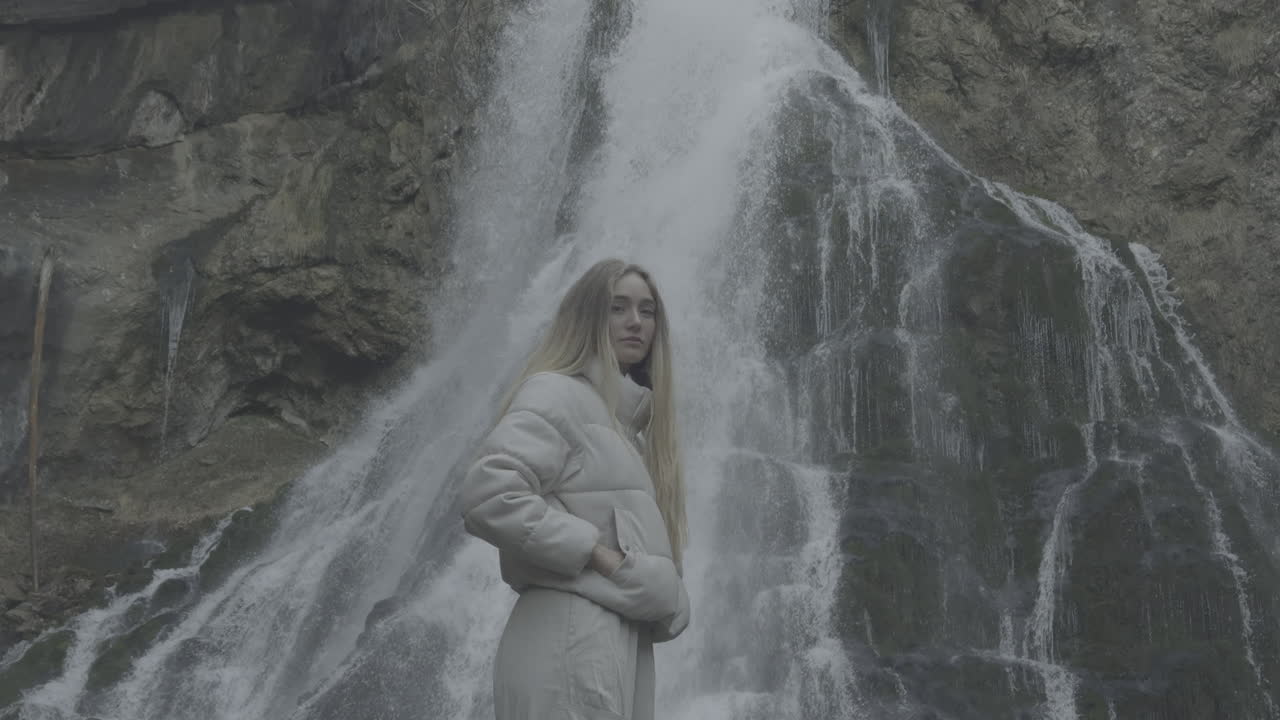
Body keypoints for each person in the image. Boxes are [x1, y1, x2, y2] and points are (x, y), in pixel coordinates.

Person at [460, 258, 691, 720]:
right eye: (618, 308)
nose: (635, 322)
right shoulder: (558, 394)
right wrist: (597, 553)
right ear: (588, 316)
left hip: (609, 644)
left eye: (647, 312)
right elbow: (489, 492)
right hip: (573, 643)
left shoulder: (627, 428)